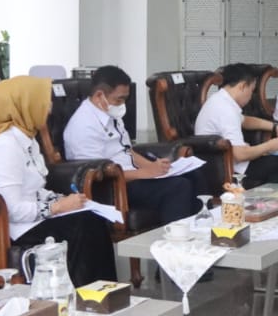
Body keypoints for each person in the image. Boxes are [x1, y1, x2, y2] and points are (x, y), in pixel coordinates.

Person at [0, 76, 117, 286]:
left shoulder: (27, 139)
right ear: (24, 105)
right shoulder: (3, 146)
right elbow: (11, 209)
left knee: (91, 217)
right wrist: (56, 207)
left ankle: (103, 295)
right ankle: (88, 298)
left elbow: (35, 188)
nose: (49, 108)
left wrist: (63, 200)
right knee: (83, 226)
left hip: (33, 219)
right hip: (13, 229)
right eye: (43, 101)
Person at [63, 65, 203, 225]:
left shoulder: (109, 113)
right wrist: (145, 173)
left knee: (193, 174)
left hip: (131, 176)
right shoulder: (83, 126)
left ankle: (200, 228)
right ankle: (176, 236)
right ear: (99, 95)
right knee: (178, 187)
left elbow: (127, 151)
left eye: (125, 99)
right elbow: (97, 174)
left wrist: (153, 167)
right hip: (114, 187)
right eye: (119, 99)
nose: (122, 104)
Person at [195, 63, 278, 189]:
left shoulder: (220, 100)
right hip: (229, 171)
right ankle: (275, 199)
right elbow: (240, 155)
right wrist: (269, 146)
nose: (251, 96)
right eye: (251, 91)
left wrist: (276, 127)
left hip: (220, 165)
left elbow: (245, 120)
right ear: (242, 86)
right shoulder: (226, 110)